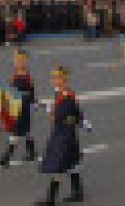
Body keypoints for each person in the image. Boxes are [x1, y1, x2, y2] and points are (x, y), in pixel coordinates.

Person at [37, 65, 91, 205]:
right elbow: (76, 112)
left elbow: (58, 116)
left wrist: (51, 112)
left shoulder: (66, 96)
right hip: (65, 131)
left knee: (58, 164)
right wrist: (82, 121)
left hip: (64, 133)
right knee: (71, 162)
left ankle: (51, 199)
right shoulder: (62, 94)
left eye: (57, 78)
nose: (54, 80)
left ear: (64, 79)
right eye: (53, 77)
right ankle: (78, 192)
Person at [0, 51, 38, 167]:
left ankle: (7, 157)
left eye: (20, 60)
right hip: (16, 106)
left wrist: (33, 102)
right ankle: (32, 152)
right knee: (25, 130)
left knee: (15, 132)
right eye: (16, 60)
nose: (17, 62)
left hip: (22, 107)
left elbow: (32, 93)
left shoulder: (27, 76)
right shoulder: (15, 75)